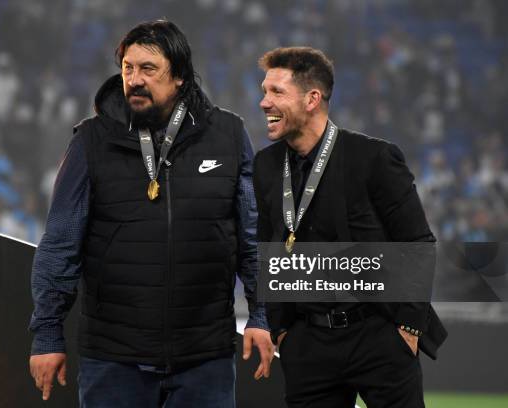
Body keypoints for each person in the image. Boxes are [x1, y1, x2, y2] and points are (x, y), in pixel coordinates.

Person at [28, 20, 273, 407]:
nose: (134, 80)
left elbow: (253, 235)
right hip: (113, 360)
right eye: (128, 68)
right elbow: (60, 243)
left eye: (148, 69)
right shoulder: (90, 141)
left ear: (178, 77)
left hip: (204, 359)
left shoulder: (228, 135)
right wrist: (46, 334)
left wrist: (261, 314)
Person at [253, 46, 447, 408]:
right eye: (265, 91)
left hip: (377, 333)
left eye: (276, 92)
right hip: (308, 342)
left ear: (312, 99)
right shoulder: (266, 166)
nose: (264, 103)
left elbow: (417, 242)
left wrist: (409, 326)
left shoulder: (373, 158)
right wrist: (282, 328)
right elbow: (270, 246)